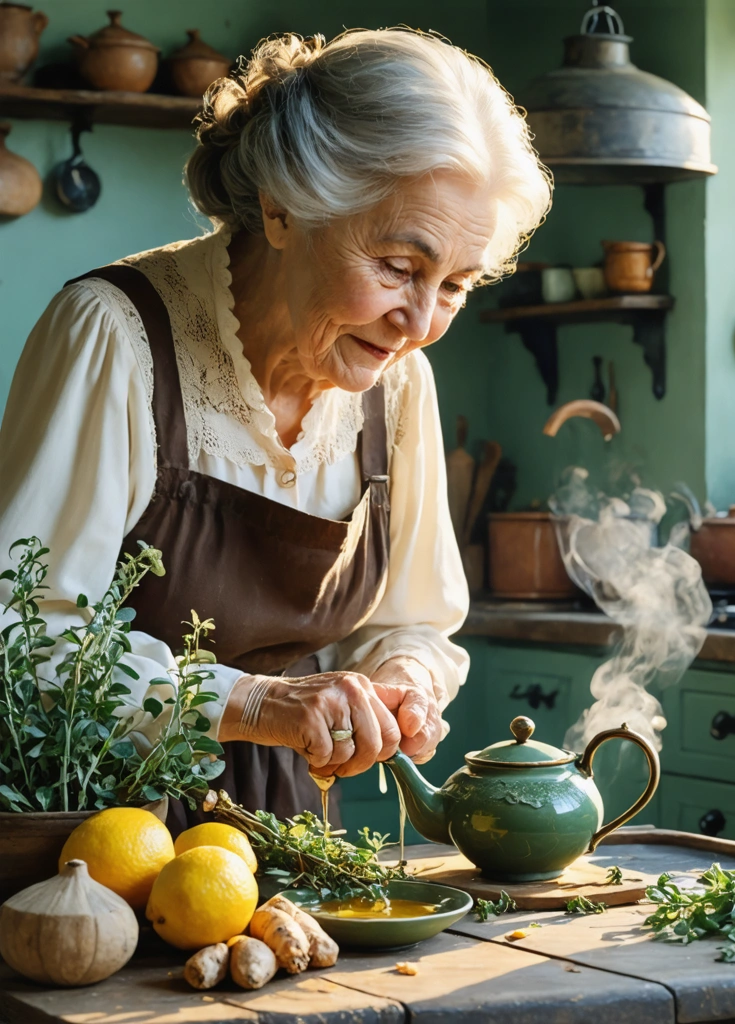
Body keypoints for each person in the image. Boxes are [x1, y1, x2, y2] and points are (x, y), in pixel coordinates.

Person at [0, 29, 551, 827]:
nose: (421, 323)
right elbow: (24, 641)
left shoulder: (397, 383)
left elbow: (415, 618)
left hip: (285, 829)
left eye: (456, 285)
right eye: (398, 267)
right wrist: (256, 702)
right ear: (284, 208)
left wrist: (405, 680)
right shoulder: (113, 336)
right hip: (92, 838)